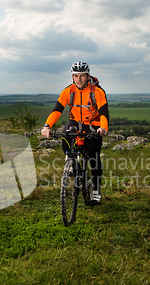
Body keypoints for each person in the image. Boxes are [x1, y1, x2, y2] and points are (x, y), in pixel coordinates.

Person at [41, 61, 109, 203]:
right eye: (76, 75)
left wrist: (103, 128)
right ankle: (71, 161)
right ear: (72, 76)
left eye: (82, 75)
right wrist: (47, 125)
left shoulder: (97, 91)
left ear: (88, 75)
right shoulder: (69, 91)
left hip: (93, 125)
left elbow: (104, 113)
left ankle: (95, 190)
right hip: (76, 122)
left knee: (93, 156)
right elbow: (57, 110)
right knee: (65, 134)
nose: (79, 79)